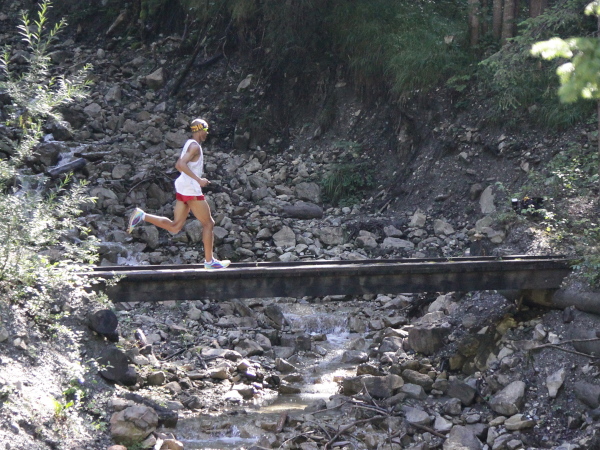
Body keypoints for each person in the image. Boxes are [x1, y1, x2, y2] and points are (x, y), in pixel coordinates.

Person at [127, 118, 230, 269]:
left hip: (183, 187)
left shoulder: (189, 143)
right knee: (209, 223)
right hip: (190, 188)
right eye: (206, 130)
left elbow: (182, 164)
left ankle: (141, 215)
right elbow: (180, 164)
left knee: (175, 227)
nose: (207, 133)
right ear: (199, 130)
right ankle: (210, 262)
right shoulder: (195, 147)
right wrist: (199, 180)